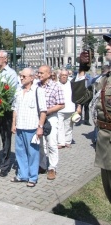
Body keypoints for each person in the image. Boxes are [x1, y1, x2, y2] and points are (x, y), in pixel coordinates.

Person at [11, 68, 47, 187]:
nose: (21, 78)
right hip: (20, 127)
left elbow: (43, 111)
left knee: (33, 153)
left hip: (32, 127)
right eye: (20, 76)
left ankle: (33, 177)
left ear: (31, 78)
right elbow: (15, 108)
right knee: (20, 152)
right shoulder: (18, 90)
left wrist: (40, 127)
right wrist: (13, 124)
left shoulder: (38, 91)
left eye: (24, 76)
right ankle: (22, 175)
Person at [38, 65, 65, 180]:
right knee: (40, 144)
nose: (39, 75)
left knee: (52, 143)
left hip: (51, 117)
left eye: (42, 73)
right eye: (38, 73)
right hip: (38, 118)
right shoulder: (36, 86)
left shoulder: (55, 87)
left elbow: (61, 104)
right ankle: (42, 165)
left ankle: (52, 168)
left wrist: (46, 111)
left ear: (49, 74)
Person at [94, 34, 111, 203]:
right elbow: (83, 98)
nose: (107, 47)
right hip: (105, 144)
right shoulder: (106, 77)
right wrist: (83, 69)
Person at [57, 69, 78, 149]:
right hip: (59, 109)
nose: (64, 77)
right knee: (59, 127)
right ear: (60, 76)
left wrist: (78, 106)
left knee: (69, 126)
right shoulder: (56, 84)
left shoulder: (71, 83)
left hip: (70, 108)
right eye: (62, 75)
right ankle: (60, 142)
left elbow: (77, 94)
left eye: (65, 75)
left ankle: (67, 141)